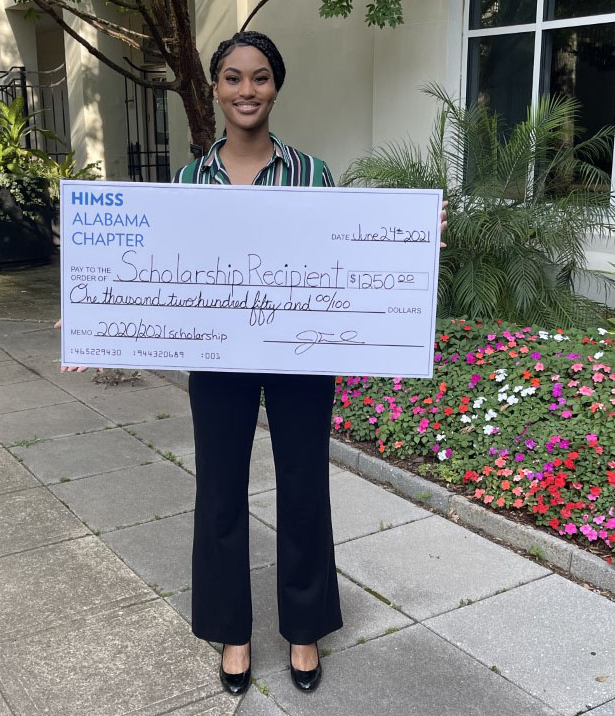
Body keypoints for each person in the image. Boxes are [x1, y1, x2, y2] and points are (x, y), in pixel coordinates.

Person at [173, 30, 446, 696]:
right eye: (233, 77)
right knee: (219, 492)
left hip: (301, 353)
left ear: (276, 87)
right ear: (215, 87)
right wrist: (95, 313)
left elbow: (342, 259)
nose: (246, 90)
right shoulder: (190, 180)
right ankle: (233, 635)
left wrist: (412, 244)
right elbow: (166, 270)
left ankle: (303, 628)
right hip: (219, 356)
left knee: (303, 486)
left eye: (260, 77)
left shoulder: (311, 173)